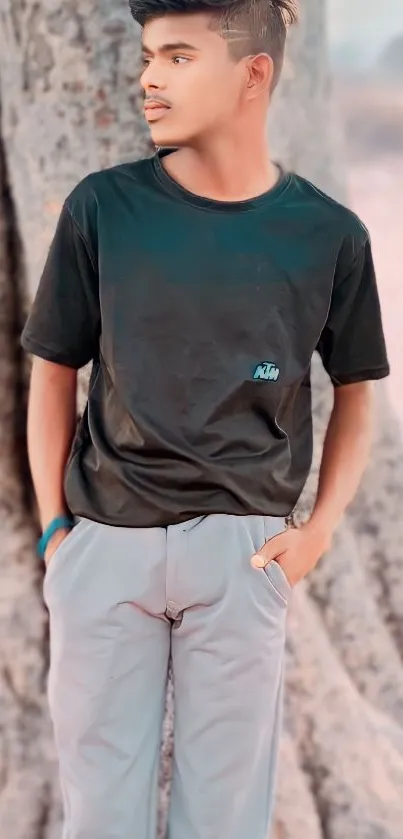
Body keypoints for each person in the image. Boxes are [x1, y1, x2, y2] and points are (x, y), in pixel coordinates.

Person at [21, 1, 390, 837]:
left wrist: (319, 531)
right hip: (103, 550)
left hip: (241, 555)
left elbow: (358, 389)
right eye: (148, 55)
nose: (149, 76)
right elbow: (53, 369)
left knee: (223, 817)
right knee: (98, 818)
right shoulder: (101, 209)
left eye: (179, 56)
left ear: (252, 74)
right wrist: (55, 530)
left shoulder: (327, 235)